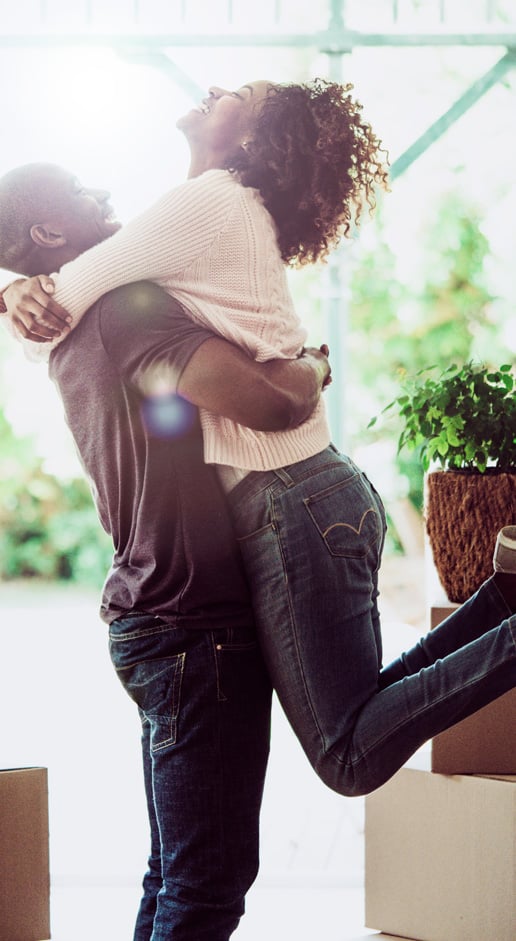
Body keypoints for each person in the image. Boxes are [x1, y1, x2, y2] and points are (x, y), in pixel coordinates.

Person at [3, 78, 516, 798]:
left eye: (238, 92)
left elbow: (56, 312)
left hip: (290, 497)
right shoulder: (200, 215)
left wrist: (12, 295)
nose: (214, 87)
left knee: (348, 756)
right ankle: (502, 602)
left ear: (250, 139)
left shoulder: (208, 202)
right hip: (307, 494)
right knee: (358, 713)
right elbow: (71, 306)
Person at [0, 161, 331, 941]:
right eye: (86, 189)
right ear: (50, 232)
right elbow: (273, 401)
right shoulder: (127, 309)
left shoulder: (64, 326)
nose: (108, 193)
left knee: (176, 872)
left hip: (151, 612)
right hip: (194, 619)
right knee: (207, 885)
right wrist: (316, 361)